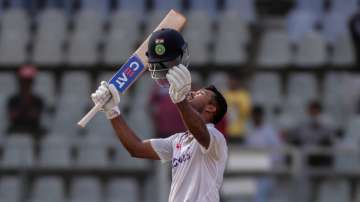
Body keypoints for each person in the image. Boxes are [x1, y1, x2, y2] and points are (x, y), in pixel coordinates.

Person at [91, 28, 228, 202]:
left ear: (211, 108)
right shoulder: (178, 141)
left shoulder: (216, 140)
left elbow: (200, 132)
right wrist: (112, 111)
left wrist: (180, 100)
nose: (193, 93)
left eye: (200, 93)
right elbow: (136, 148)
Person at [7, 65, 46, 140]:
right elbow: (12, 116)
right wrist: (24, 106)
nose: (26, 84)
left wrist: (24, 108)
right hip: (16, 129)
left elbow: (35, 116)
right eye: (24, 81)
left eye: (28, 81)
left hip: (33, 130)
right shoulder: (13, 100)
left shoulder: (38, 100)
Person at [224, 73, 251, 142]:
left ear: (238, 81)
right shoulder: (224, 94)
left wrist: (238, 106)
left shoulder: (243, 95)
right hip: (225, 132)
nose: (232, 83)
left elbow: (246, 113)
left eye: (234, 80)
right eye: (230, 80)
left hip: (239, 132)